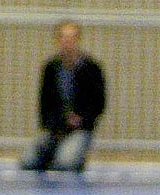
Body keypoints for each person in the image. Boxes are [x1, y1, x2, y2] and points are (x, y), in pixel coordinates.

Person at [20, 20, 106, 174]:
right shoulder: (50, 68)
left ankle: (72, 155)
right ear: (57, 40)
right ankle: (52, 153)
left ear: (78, 40)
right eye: (64, 38)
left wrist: (81, 120)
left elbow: (99, 103)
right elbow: (44, 102)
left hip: (80, 129)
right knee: (27, 162)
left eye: (71, 38)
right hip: (54, 129)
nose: (67, 42)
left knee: (65, 164)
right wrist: (52, 125)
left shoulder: (92, 68)